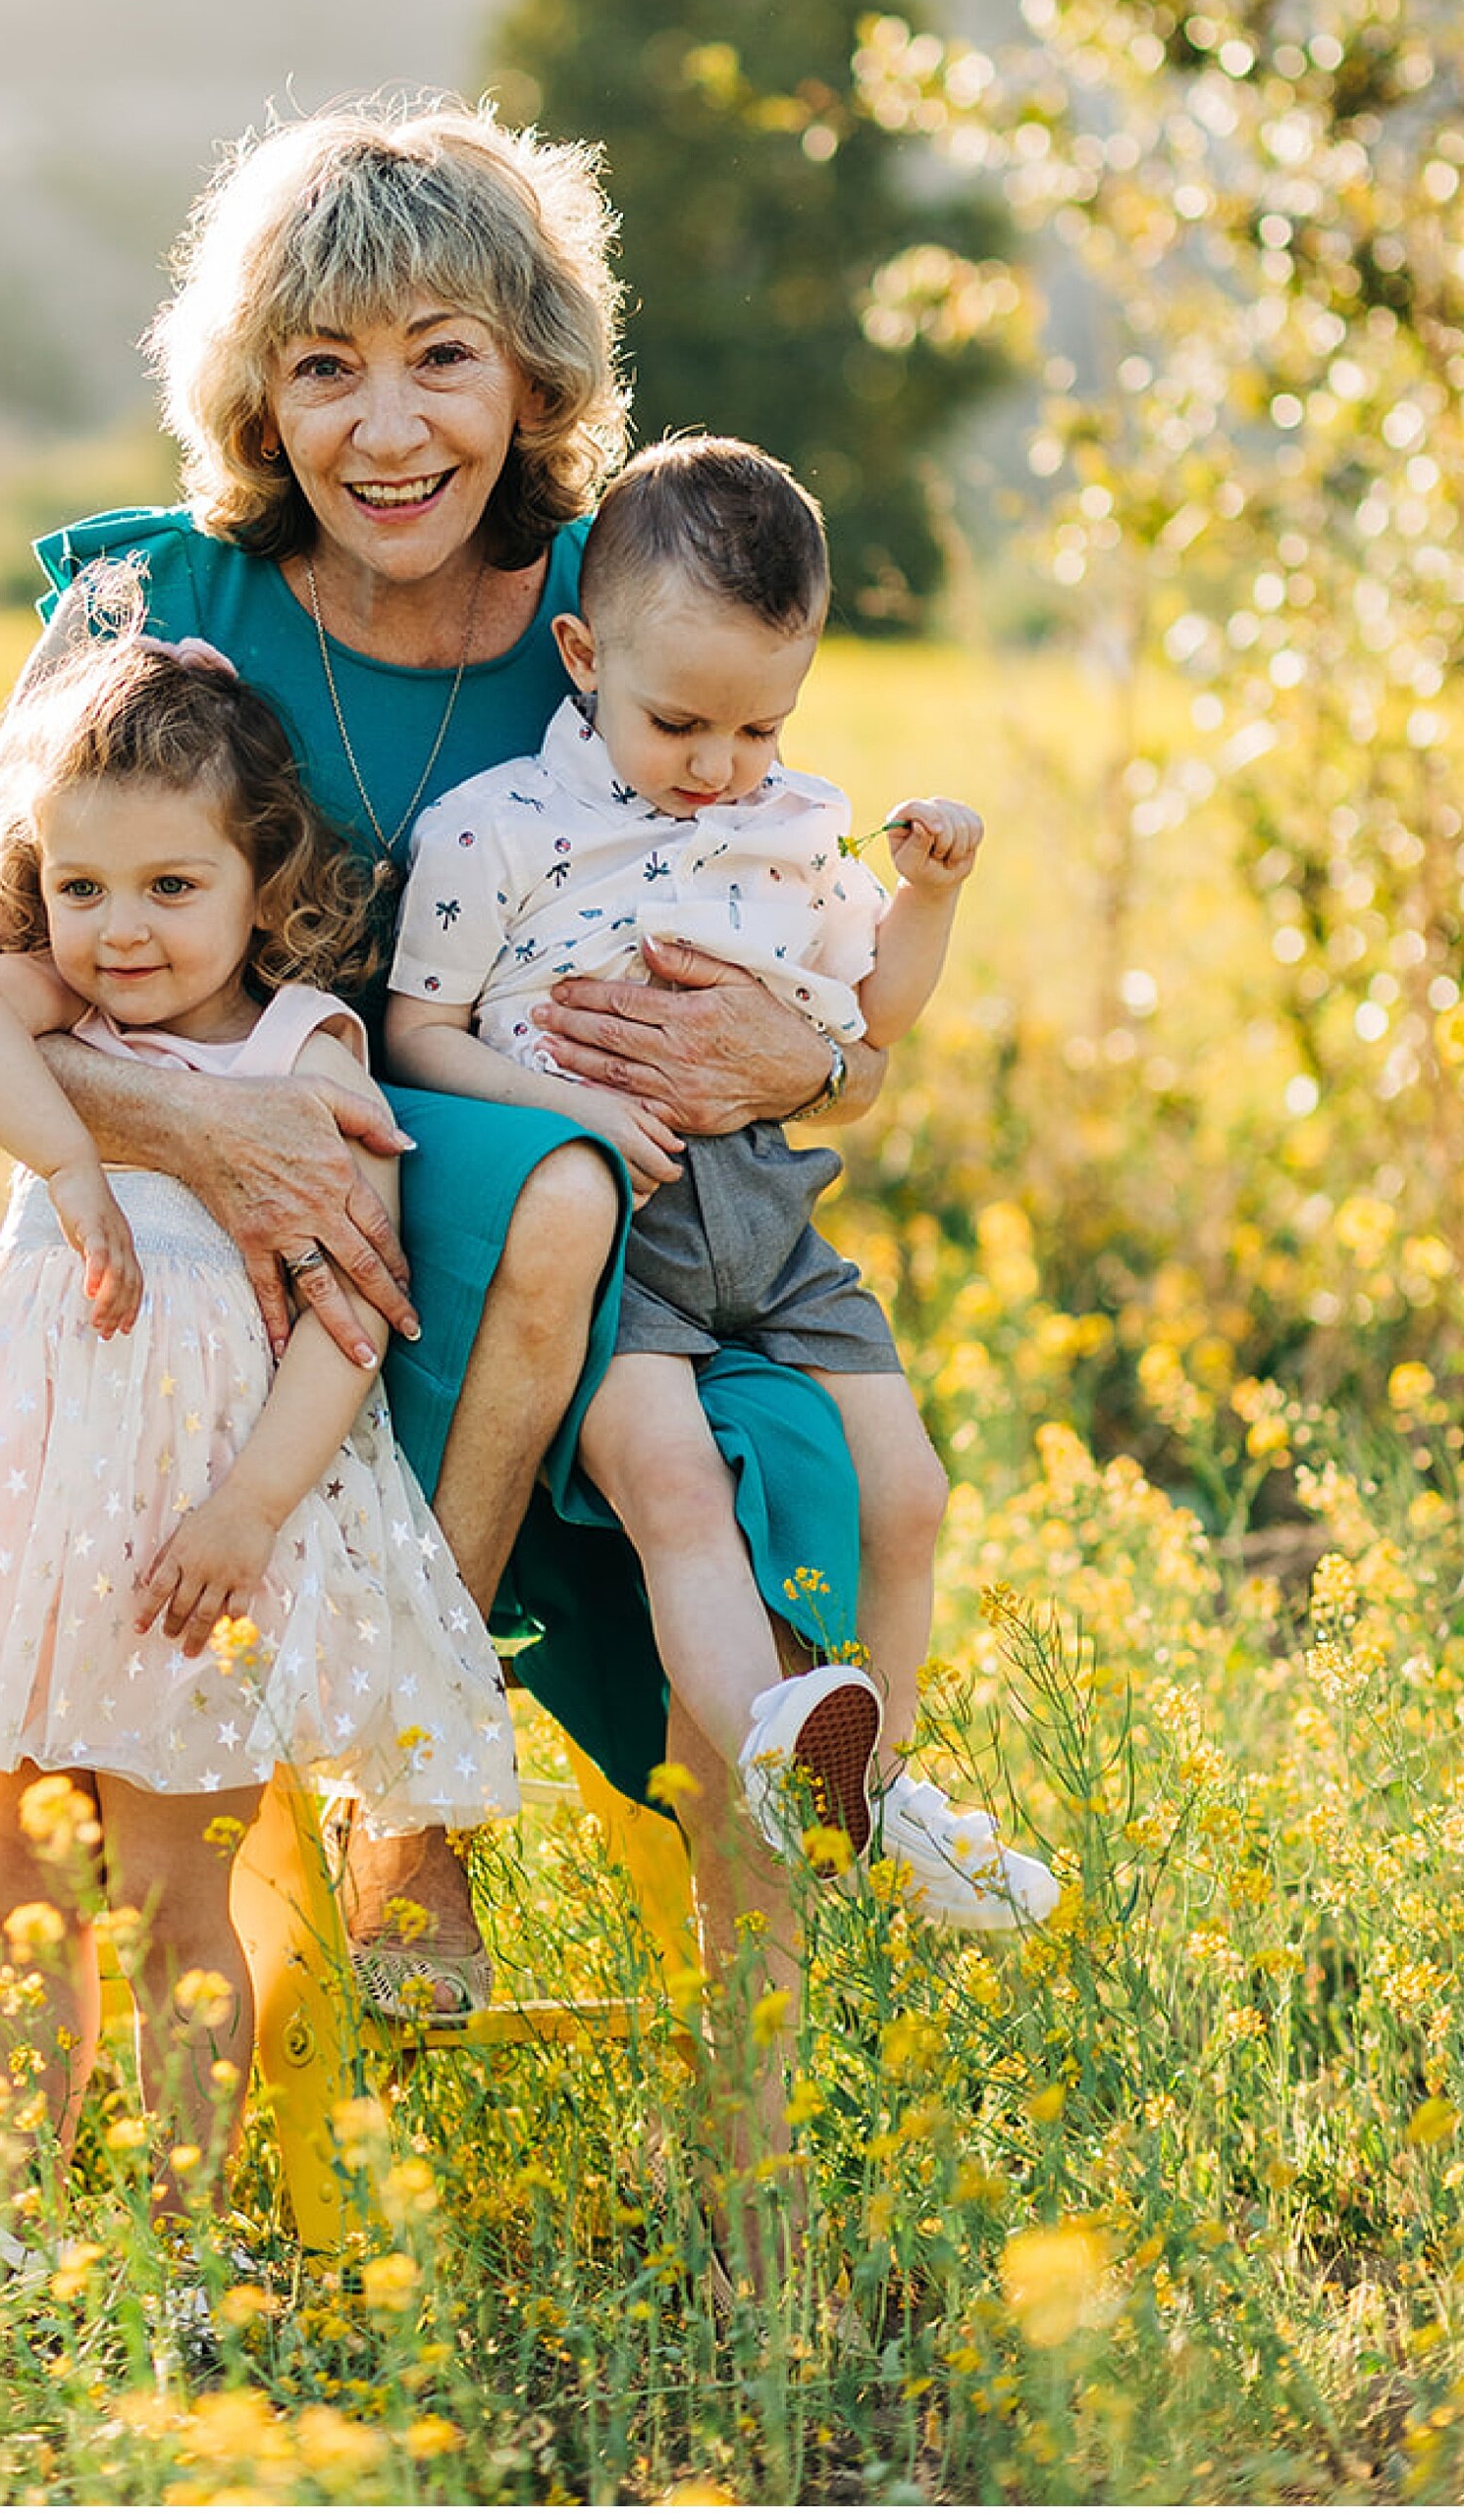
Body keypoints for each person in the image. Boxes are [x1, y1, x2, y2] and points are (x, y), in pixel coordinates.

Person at [0, 101, 900, 2073]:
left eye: (440, 352)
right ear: (258, 397)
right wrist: (206, 1126)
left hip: (580, 1237)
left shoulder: (625, 611)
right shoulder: (135, 606)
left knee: (587, 1226)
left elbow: (790, 968)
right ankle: (402, 1785)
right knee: (540, 1192)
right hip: (215, 1230)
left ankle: (462, 1835)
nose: (387, 424)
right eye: (323, 364)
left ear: (530, 370)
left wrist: (832, 1054)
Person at [0, 634, 516, 2306]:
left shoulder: (304, 1051)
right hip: (41, 1534)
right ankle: (14, 2216)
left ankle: (180, 2243)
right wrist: (69, 1162)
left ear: (266, 880)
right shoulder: (58, 1013)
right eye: (80, 886)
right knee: (19, 1877)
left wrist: (247, 1509)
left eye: (174, 885)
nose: (121, 930)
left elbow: (351, 1317)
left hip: (200, 1540)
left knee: (182, 1898)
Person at [388, 433, 1059, 1955]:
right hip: (616, 1237)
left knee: (914, 1495)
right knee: (679, 1493)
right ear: (582, 654)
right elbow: (416, 1032)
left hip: (773, 1216)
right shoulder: (501, 831)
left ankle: (876, 1790)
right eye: (680, 721)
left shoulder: (792, 823)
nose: (720, 766)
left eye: (763, 725)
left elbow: (871, 1020)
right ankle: (776, 1751)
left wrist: (929, 899)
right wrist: (567, 1107)